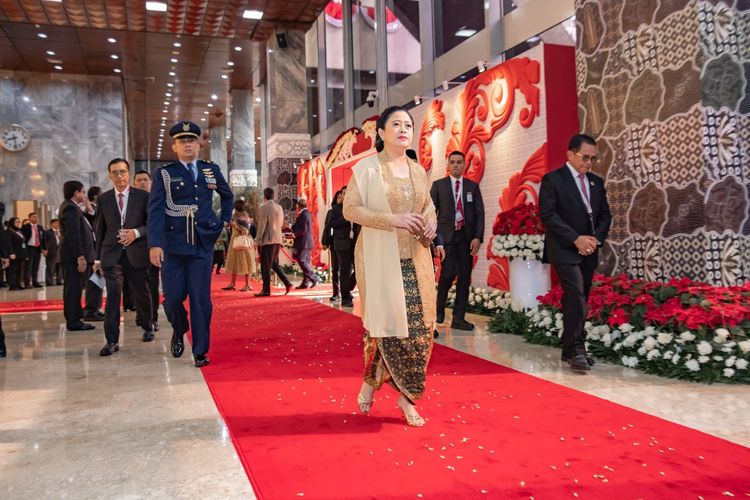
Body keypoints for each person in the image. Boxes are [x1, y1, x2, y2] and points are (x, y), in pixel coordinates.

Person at [342, 106, 437, 427]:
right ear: (381, 132)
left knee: (420, 331)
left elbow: (428, 206)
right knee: (386, 331)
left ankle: (406, 397)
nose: (403, 129)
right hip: (381, 263)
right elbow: (351, 209)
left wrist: (431, 222)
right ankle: (371, 384)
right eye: (396, 124)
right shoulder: (367, 169)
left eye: (408, 124)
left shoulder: (418, 170)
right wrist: (392, 220)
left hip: (416, 262)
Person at [148, 121, 233, 368]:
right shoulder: (165, 174)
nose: (187, 145)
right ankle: (179, 327)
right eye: (182, 141)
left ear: (198, 144)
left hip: (201, 244)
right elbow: (155, 211)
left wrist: (223, 220)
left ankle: (200, 350)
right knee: (172, 298)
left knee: (200, 299)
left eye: (191, 140)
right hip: (173, 245)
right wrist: (155, 244)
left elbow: (227, 196)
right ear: (174, 146)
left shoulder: (210, 169)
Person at [539, 133, 612, 373]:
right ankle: (577, 350)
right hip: (564, 248)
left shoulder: (596, 182)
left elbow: (605, 216)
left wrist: (595, 239)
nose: (589, 163)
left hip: (588, 249)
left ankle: (569, 348)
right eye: (585, 157)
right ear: (570, 154)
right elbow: (548, 215)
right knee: (576, 294)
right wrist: (575, 238)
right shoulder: (553, 179)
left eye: (593, 158)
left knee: (580, 298)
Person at [95, 158, 154, 356]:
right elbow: (100, 230)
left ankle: (147, 325)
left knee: (141, 292)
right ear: (110, 176)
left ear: (128, 173)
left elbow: (151, 224)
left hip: (136, 252)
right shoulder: (104, 199)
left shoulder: (142, 197)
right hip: (111, 255)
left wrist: (136, 233)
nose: (119, 176)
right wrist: (97, 259)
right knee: (113, 296)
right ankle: (111, 340)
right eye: (115, 172)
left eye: (122, 171)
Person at [431, 150, 486, 331]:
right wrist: (436, 240)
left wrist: (477, 237)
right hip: (447, 239)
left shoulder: (472, 187)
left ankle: (459, 318)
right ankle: (439, 310)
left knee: (464, 277)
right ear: (448, 165)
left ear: (464, 165)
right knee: (447, 275)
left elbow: (479, 214)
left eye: (459, 162)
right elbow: (431, 214)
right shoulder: (439, 186)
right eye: (452, 162)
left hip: (466, 239)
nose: (455, 165)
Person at [59, 181, 96, 331]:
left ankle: (75, 318)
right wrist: (80, 256)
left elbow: (87, 227)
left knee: (75, 288)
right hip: (72, 257)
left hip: (72, 255)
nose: (84, 195)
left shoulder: (74, 207)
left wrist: (89, 210)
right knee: (73, 289)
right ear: (76, 192)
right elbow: (73, 234)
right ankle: (74, 321)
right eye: (83, 191)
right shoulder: (70, 208)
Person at [134, 170, 160, 331]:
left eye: (145, 180)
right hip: (133, 250)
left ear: (150, 183)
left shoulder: (157, 200)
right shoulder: (130, 202)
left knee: (152, 284)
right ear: (134, 183)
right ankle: (142, 315)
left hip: (152, 248)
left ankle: (153, 317)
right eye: (139, 180)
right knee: (138, 286)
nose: (142, 182)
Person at [222, 199, 257, 291]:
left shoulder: (244, 216)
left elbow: (245, 231)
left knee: (246, 263)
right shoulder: (235, 215)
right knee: (233, 262)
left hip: (243, 242)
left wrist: (234, 225)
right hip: (235, 241)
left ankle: (248, 284)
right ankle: (232, 283)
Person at [329, 187, 355, 307]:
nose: (346, 195)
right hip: (341, 244)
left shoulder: (356, 208)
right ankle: (345, 298)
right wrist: (345, 218)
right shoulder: (336, 209)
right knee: (344, 270)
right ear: (342, 195)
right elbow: (332, 224)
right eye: (344, 193)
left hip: (355, 243)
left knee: (358, 268)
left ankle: (347, 287)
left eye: (348, 193)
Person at [83, 186, 105, 322]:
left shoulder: (97, 208)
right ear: (96, 196)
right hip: (94, 251)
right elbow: (94, 223)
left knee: (99, 280)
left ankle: (95, 308)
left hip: (99, 250)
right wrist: (91, 211)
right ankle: (91, 310)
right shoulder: (91, 209)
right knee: (94, 281)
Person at [292, 199, 319, 289]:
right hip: (306, 242)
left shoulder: (303, 215)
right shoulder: (307, 214)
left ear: (298, 206)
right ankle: (305, 282)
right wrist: (290, 226)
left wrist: (294, 235)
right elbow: (299, 226)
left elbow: (303, 229)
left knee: (302, 261)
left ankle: (314, 278)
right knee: (305, 261)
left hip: (303, 242)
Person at [320, 191, 341, 302]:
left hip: (349, 243)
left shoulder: (350, 211)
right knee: (335, 269)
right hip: (335, 243)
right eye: (339, 197)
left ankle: (345, 291)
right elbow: (327, 228)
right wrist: (325, 242)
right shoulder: (331, 212)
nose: (341, 199)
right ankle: (336, 292)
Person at [21, 212, 45, 288]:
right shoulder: (25, 227)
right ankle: (27, 283)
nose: (36, 218)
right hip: (29, 248)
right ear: (30, 218)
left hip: (37, 248)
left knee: (36, 266)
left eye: (37, 217)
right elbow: (23, 239)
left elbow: (42, 239)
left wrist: (44, 248)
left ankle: (35, 282)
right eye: (34, 217)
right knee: (28, 266)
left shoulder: (40, 227)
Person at [5, 218, 26, 291]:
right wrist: (11, 252)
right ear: (12, 222)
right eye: (16, 222)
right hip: (14, 253)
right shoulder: (9, 231)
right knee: (13, 270)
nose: (18, 223)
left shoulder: (19, 231)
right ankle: (12, 285)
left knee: (19, 270)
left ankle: (18, 284)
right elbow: (8, 243)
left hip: (20, 253)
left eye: (19, 222)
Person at [43, 219, 62, 286]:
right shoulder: (47, 232)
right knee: (50, 267)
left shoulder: (61, 231)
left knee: (59, 267)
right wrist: (45, 249)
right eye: (55, 223)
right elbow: (44, 242)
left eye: (58, 223)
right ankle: (49, 281)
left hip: (60, 251)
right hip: (51, 251)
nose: (57, 224)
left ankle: (59, 280)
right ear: (51, 224)